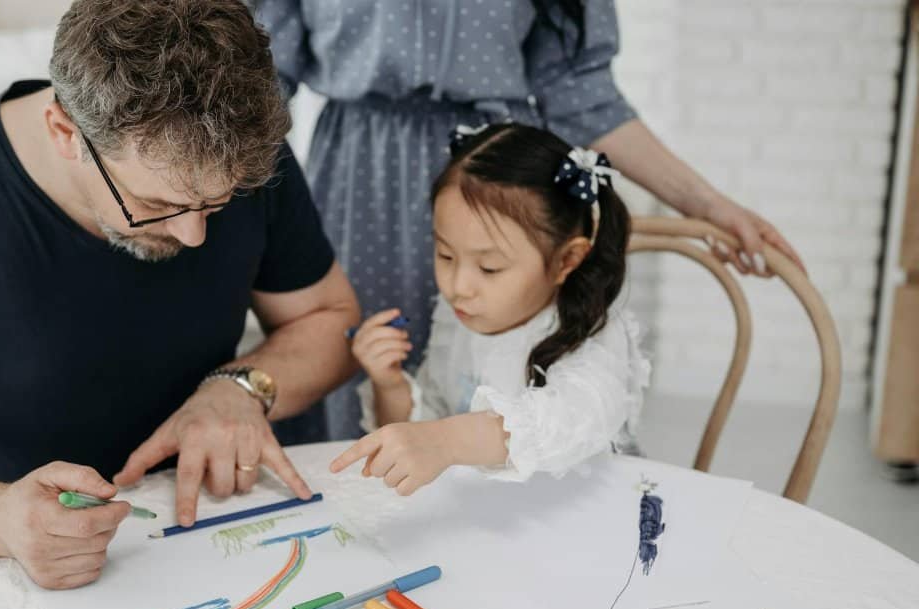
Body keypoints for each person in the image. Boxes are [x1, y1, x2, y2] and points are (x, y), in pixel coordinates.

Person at [0, 0, 360, 589]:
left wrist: (240, 390)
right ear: (66, 132)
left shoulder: (236, 153)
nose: (194, 235)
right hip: (14, 555)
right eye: (157, 205)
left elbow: (332, 320)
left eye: (217, 204)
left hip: (216, 520)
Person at [255, 0, 804, 442]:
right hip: (361, 185)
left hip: (504, 182)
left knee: (527, 374)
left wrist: (707, 204)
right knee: (370, 366)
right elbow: (259, 79)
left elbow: (582, 93)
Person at [331, 123, 649, 495]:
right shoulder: (460, 316)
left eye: (489, 268)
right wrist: (390, 386)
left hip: (584, 510)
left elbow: (570, 420)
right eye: (445, 255)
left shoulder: (592, 333)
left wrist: (446, 440)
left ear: (566, 260)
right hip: (486, 510)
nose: (458, 287)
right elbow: (427, 429)